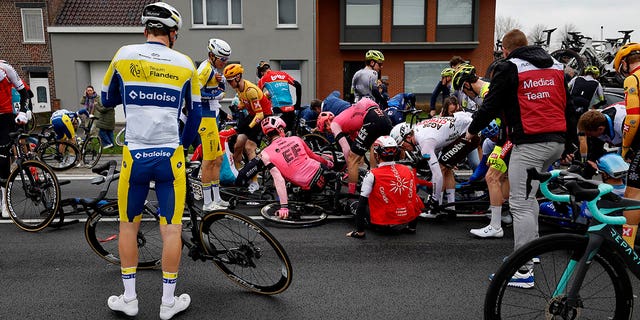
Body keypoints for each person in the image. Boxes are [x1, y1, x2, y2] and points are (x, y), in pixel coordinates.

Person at [101, 3, 201, 319]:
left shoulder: (124, 54)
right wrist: (183, 148)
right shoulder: (185, 63)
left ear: (145, 29)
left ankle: (129, 299)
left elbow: (106, 99)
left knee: (128, 227)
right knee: (171, 230)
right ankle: (167, 304)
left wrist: (132, 94)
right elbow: (195, 114)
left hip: (136, 155)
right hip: (170, 155)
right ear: (172, 33)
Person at [465, 29, 577, 285]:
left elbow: (491, 103)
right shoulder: (556, 66)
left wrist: (472, 130)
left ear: (505, 50)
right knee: (530, 198)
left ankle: (523, 270)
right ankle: (532, 253)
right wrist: (570, 145)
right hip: (556, 141)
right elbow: (568, 107)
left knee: (521, 204)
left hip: (530, 143)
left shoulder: (509, 67)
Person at [236, 116, 333, 219]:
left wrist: (284, 206)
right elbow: (314, 156)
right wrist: (328, 163)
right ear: (280, 129)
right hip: (321, 173)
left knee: (286, 175)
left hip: (307, 185)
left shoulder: (265, 153)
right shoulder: (296, 139)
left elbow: (279, 180)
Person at [390, 110, 476, 218]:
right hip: (466, 127)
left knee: (441, 168)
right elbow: (438, 142)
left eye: (402, 145)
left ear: (408, 137)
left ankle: (435, 207)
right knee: (446, 167)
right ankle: (450, 207)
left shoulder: (424, 142)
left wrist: (433, 200)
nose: (404, 149)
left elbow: (437, 175)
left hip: (470, 132)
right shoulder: (419, 129)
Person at [346, 136, 423, 239]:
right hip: (405, 221)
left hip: (383, 225)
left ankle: (360, 231)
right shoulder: (407, 170)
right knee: (413, 196)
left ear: (376, 154)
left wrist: (360, 232)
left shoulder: (372, 174)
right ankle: (412, 227)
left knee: (352, 203)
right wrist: (411, 227)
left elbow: (361, 205)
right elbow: (414, 199)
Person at [316, 97, 392, 195]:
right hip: (383, 117)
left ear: (327, 123)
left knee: (352, 159)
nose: (329, 133)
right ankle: (375, 182)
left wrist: (350, 167)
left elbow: (346, 149)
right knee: (373, 148)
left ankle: (352, 194)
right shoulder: (347, 120)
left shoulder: (335, 124)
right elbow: (359, 143)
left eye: (326, 130)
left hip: (372, 118)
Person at [224, 63, 273, 193]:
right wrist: (240, 106)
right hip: (253, 115)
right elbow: (244, 102)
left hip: (263, 115)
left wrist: (249, 128)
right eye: (228, 81)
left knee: (249, 147)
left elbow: (260, 113)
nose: (229, 83)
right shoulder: (238, 88)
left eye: (230, 80)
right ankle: (236, 174)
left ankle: (255, 182)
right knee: (238, 145)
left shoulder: (250, 90)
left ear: (238, 77)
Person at [197, 38, 232, 211]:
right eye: (222, 59)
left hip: (213, 117)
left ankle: (217, 198)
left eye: (226, 60)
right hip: (205, 118)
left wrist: (221, 84)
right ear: (212, 55)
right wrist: (214, 95)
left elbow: (218, 90)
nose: (224, 63)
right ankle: (207, 202)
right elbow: (193, 93)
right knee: (209, 161)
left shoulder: (213, 69)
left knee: (218, 159)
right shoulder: (205, 69)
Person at [614, 42, 640, 247]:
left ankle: (626, 246)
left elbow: (633, 119)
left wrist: (624, 147)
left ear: (624, 62)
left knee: (633, 196)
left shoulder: (633, 78)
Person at [0, 60, 29, 218]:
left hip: (5, 118)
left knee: (4, 160)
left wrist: (23, 111)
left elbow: (24, 92)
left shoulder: (5, 68)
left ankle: (5, 203)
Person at [576, 102, 625, 178]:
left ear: (600, 129)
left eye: (590, 134)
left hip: (633, 129)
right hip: (623, 136)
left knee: (624, 171)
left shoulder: (620, 123)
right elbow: (596, 150)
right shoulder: (597, 122)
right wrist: (589, 164)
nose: (589, 137)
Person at [257, 61, 302, 133]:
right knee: (291, 133)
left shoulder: (263, 78)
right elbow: (298, 85)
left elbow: (257, 95)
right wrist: (297, 104)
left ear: (261, 72)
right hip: (291, 108)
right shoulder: (283, 74)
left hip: (278, 108)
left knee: (276, 133)